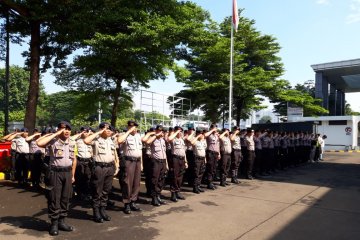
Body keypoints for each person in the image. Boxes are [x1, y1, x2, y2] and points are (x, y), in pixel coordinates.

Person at [36, 121, 77, 236]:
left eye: (68, 129)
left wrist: (73, 175)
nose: (67, 131)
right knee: (54, 198)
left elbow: (74, 160)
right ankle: (54, 223)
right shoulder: (53, 141)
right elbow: (39, 143)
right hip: (55, 173)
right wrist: (55, 134)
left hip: (68, 173)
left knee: (65, 198)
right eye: (64, 129)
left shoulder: (72, 142)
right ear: (58, 130)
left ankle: (62, 222)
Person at [84, 122, 119, 223]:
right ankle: (96, 212)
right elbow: (86, 140)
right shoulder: (96, 139)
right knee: (97, 191)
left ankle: (103, 210)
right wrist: (99, 132)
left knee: (106, 190)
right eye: (105, 129)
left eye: (109, 129)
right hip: (99, 167)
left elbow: (114, 153)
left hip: (110, 167)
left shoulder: (111, 140)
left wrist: (117, 165)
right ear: (100, 129)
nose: (107, 131)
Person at [117, 120, 143, 214]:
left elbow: (140, 152)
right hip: (129, 161)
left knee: (136, 183)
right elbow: (119, 141)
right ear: (128, 127)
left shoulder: (139, 136)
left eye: (135, 127)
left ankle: (133, 202)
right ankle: (126, 203)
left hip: (138, 161)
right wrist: (128, 132)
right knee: (127, 182)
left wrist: (142, 163)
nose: (133, 129)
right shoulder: (124, 135)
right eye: (131, 127)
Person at [145, 125, 168, 206]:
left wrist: (166, 164)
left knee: (161, 179)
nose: (161, 133)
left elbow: (164, 153)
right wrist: (155, 135)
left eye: (162, 131)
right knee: (154, 179)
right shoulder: (153, 139)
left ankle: (158, 195)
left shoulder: (162, 140)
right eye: (159, 131)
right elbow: (147, 142)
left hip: (163, 162)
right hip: (155, 162)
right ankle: (154, 197)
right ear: (156, 131)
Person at [167, 126, 187, 202]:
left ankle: (178, 191)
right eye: (179, 131)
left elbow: (183, 152)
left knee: (180, 177)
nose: (180, 133)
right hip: (175, 159)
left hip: (182, 159)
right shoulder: (173, 139)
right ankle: (173, 194)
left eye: (181, 131)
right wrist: (175, 132)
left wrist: (185, 161)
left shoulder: (182, 140)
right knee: (174, 176)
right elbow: (169, 139)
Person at [73, 126, 93, 201]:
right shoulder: (77, 141)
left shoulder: (90, 141)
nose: (85, 133)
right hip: (80, 161)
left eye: (87, 131)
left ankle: (86, 193)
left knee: (88, 178)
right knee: (79, 178)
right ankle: (80, 193)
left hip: (88, 161)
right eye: (84, 131)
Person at [204, 124, 220, 190]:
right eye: (214, 128)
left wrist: (219, 153)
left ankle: (211, 182)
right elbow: (205, 135)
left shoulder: (216, 135)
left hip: (216, 153)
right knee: (210, 168)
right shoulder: (209, 134)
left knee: (214, 168)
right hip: (210, 152)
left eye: (216, 128)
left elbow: (218, 144)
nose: (215, 129)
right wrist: (212, 130)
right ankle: (209, 183)